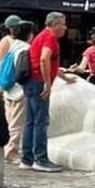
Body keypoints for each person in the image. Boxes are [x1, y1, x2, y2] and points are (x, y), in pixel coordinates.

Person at [23, 12, 75, 172]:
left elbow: (50, 62)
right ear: (55, 24)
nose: (65, 28)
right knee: (41, 122)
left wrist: (64, 78)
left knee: (30, 121)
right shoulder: (50, 37)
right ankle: (41, 158)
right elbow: (44, 58)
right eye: (63, 24)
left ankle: (27, 158)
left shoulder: (41, 36)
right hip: (39, 82)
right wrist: (47, 83)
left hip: (31, 82)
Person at [0, 20, 32, 165]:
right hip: (19, 91)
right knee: (17, 124)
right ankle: (10, 152)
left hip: (8, 89)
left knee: (9, 121)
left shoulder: (13, 46)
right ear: (28, 34)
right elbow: (23, 71)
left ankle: (5, 148)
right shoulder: (25, 48)